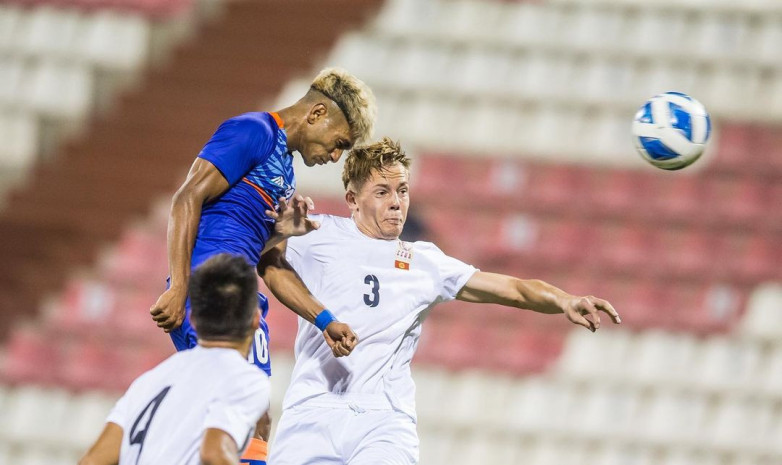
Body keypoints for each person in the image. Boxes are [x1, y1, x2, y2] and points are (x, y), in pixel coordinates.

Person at [258, 138, 622, 464]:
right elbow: (249, 257)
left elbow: (514, 289)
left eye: (402, 191)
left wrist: (564, 300)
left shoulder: (425, 261)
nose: (396, 203)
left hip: (383, 419)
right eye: (382, 192)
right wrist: (276, 234)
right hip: (312, 409)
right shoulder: (315, 233)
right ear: (352, 200)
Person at [148, 67, 374, 464]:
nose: (336, 156)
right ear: (317, 113)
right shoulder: (253, 131)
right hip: (213, 290)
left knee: (236, 418)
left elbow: (271, 265)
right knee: (247, 413)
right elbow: (187, 197)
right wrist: (180, 286)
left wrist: (325, 320)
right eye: (339, 143)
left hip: (242, 297)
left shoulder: (285, 175)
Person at [80, 254, 271, 465]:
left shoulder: (149, 381)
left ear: (193, 319)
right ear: (256, 318)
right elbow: (213, 452)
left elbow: (91, 461)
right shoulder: (244, 379)